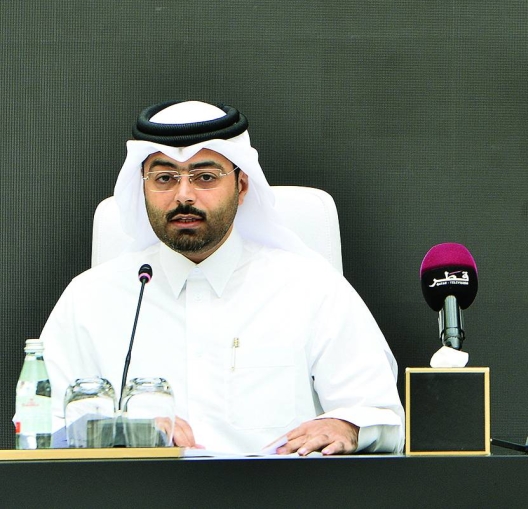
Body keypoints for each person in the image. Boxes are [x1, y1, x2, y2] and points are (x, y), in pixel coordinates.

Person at [40, 101, 404, 455]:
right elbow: (43, 429)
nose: (184, 195)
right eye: (165, 178)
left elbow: (382, 416)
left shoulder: (311, 289)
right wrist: (123, 430)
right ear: (143, 189)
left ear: (242, 186)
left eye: (205, 177)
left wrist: (346, 426)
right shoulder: (90, 299)